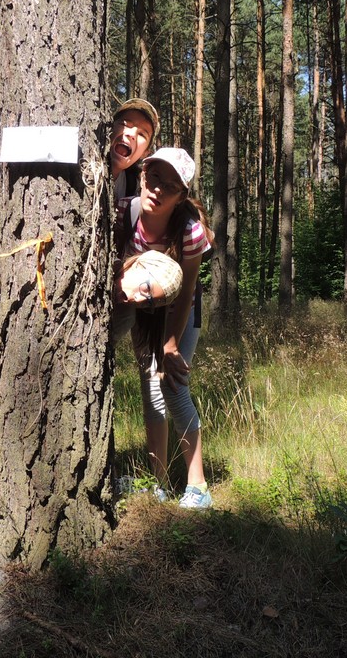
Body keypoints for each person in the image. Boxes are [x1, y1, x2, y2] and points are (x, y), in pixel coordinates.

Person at [114, 147, 215, 510]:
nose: (157, 189)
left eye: (169, 186)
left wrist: (171, 343)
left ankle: (198, 487)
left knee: (173, 388)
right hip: (142, 306)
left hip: (180, 311)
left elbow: (187, 291)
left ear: (181, 195)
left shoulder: (189, 230)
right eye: (154, 177)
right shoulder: (124, 212)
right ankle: (155, 481)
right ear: (143, 174)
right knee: (151, 391)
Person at [110, 98, 159, 201]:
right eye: (124, 124)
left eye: (142, 134)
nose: (132, 134)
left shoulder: (134, 187)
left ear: (145, 153)